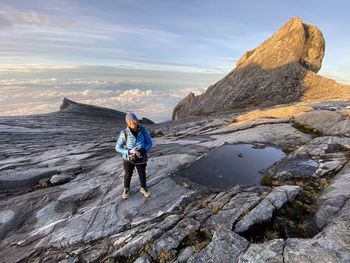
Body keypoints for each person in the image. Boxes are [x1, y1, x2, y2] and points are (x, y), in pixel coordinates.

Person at [115, 112, 153, 199]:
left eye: (133, 120)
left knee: (142, 173)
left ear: (136, 120)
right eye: (130, 121)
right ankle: (126, 189)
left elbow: (149, 143)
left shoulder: (143, 130)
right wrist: (129, 151)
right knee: (128, 174)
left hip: (141, 157)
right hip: (129, 158)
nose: (132, 123)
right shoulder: (124, 133)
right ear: (127, 122)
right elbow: (118, 147)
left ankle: (143, 188)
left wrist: (144, 150)